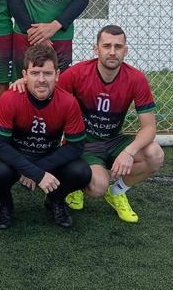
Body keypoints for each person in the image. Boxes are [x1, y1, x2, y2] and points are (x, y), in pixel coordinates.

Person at [57, 25, 164, 223]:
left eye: (118, 46)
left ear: (125, 50)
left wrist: (128, 152)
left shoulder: (136, 78)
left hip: (114, 140)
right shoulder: (77, 73)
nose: (112, 52)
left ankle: (117, 192)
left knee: (155, 154)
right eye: (107, 46)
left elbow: (149, 127)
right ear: (96, 49)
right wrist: (22, 83)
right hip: (84, 143)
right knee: (97, 187)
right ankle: (77, 184)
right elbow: (49, 96)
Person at [0, 44, 90, 229]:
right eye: (35, 73)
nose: (41, 80)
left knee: (81, 172)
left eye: (47, 73)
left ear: (57, 75)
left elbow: (76, 146)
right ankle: (5, 203)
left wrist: (38, 170)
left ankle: (55, 200)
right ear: (25, 75)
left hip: (48, 157)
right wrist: (33, 172)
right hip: (15, 157)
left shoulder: (68, 102)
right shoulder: (10, 98)